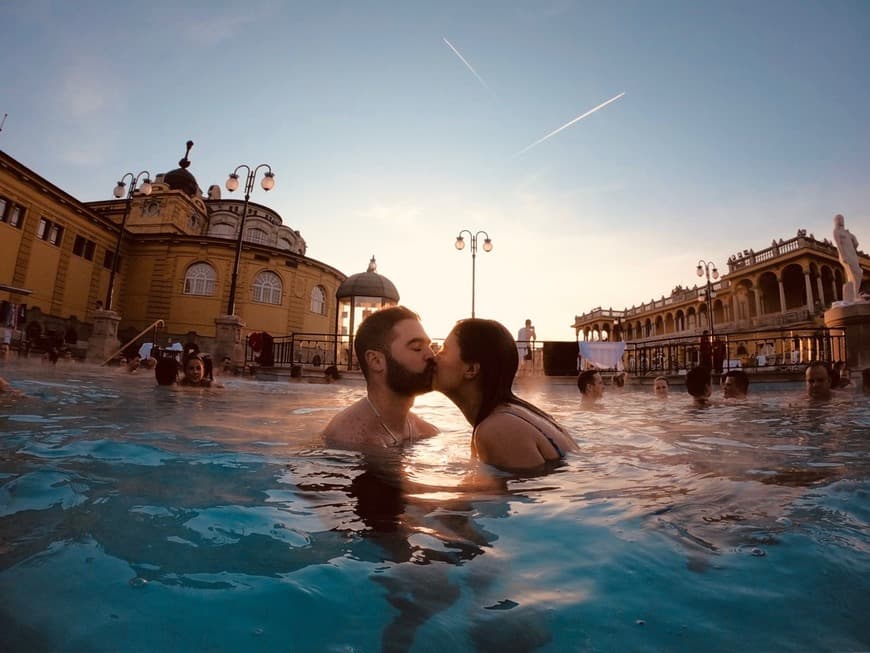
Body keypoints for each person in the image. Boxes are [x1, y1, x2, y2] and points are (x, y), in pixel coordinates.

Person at [434, 318, 577, 470]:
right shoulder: (515, 413)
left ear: (470, 369)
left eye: (443, 351)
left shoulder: (496, 429)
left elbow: (520, 492)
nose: (434, 357)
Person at [321, 306, 439, 448]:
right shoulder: (347, 439)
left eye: (429, 346)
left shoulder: (425, 430)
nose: (431, 355)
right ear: (376, 361)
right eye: (417, 348)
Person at [832, 214, 867, 303]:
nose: (841, 220)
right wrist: (843, 256)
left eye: (842, 219)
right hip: (845, 255)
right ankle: (854, 296)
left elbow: (855, 244)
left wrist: (853, 239)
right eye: (839, 219)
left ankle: (853, 295)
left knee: (858, 273)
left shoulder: (847, 233)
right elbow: (838, 245)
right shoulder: (836, 231)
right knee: (855, 273)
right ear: (836, 221)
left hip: (853, 255)